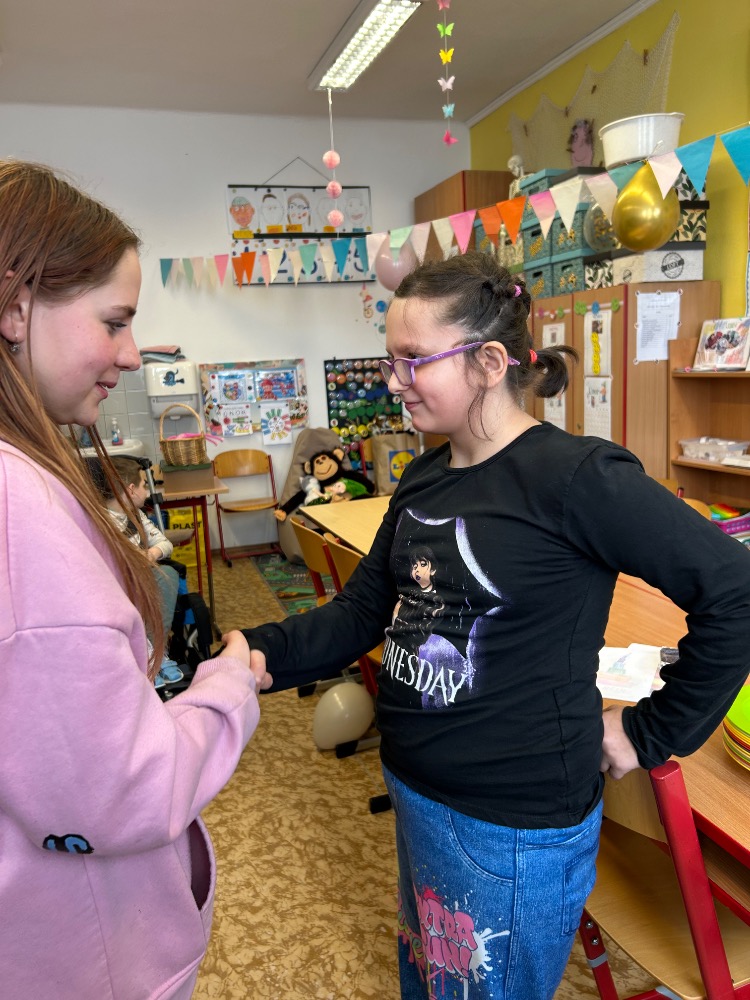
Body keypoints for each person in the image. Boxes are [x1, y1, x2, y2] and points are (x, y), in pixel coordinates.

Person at [242, 251, 750, 999]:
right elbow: (360, 612)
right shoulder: (424, 475)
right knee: (431, 978)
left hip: (508, 827)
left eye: (413, 360)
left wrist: (649, 731)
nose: (393, 381)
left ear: (486, 362)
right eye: (389, 360)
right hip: (418, 791)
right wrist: (255, 651)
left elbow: (735, 592)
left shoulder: (575, 478)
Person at [0, 159, 269, 1000]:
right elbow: (122, 793)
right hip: (81, 958)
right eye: (113, 321)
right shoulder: (19, 507)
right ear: (16, 306)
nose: (128, 352)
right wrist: (226, 689)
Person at [101, 454, 185, 687]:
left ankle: (154, 653)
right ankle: (145, 656)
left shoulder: (136, 516)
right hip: (114, 583)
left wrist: (151, 554)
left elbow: (164, 543)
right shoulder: (101, 520)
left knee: (168, 575)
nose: (147, 492)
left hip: (142, 576)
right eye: (144, 486)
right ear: (131, 489)